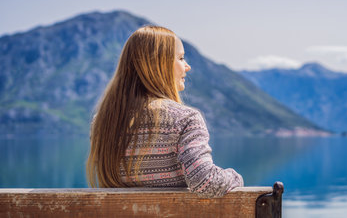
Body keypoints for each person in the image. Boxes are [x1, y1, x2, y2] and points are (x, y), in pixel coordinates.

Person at [86, 25, 243, 198]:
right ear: (160, 64)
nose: (187, 66)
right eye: (181, 58)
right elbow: (205, 182)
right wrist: (235, 177)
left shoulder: (102, 123)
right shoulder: (186, 119)